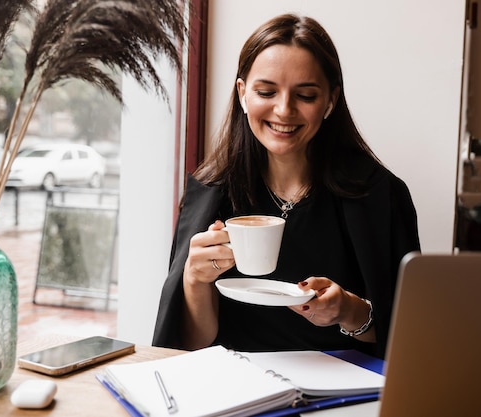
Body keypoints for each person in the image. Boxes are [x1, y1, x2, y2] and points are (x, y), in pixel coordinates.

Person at [153, 13, 420, 358]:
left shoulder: (382, 196)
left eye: (305, 95)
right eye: (266, 91)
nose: (284, 110)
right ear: (243, 93)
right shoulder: (208, 192)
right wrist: (194, 278)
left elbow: (414, 339)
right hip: (236, 391)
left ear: (330, 101)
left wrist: (349, 311)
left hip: (345, 395)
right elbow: (188, 346)